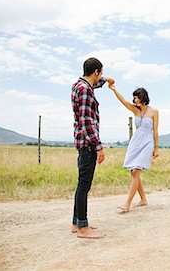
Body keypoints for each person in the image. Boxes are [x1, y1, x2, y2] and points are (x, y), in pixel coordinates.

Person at [71, 57, 114, 238]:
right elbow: (87, 122)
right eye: (101, 73)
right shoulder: (86, 91)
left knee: (82, 184)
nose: (101, 76)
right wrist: (99, 147)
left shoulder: (79, 86)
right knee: (84, 185)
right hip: (88, 145)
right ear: (96, 71)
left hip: (82, 143)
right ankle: (83, 228)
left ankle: (76, 223)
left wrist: (107, 81)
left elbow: (94, 85)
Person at [108, 83, 159, 213]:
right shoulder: (135, 110)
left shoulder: (154, 111)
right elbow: (123, 101)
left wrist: (156, 148)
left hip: (147, 142)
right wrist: (114, 89)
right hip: (135, 142)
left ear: (142, 97)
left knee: (136, 171)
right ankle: (143, 199)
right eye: (134, 98)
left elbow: (155, 131)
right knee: (133, 172)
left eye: (136, 97)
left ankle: (127, 203)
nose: (134, 100)